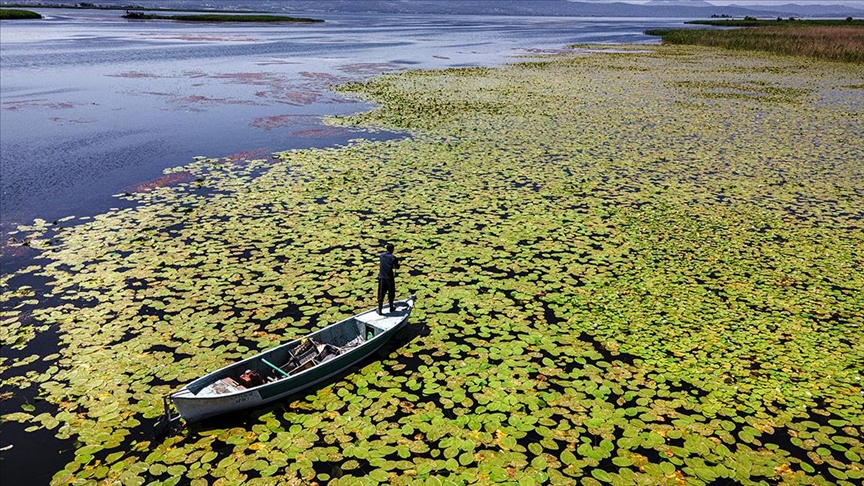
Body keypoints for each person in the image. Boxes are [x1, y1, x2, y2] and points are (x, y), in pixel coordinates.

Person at [377, 243, 399, 314]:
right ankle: (391, 307)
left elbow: (385, 264)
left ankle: (380, 310)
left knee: (381, 293)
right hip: (389, 278)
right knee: (391, 293)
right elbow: (397, 266)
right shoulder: (393, 257)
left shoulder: (381, 256)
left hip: (381, 277)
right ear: (392, 249)